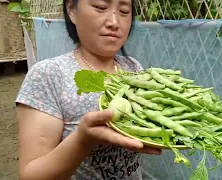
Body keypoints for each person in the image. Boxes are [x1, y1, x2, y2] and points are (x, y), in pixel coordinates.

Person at [15, 0, 162, 179]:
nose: (114, 22)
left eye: (124, 11)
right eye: (101, 7)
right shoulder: (48, 75)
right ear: (72, 10)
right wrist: (83, 140)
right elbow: (31, 175)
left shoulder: (133, 69)